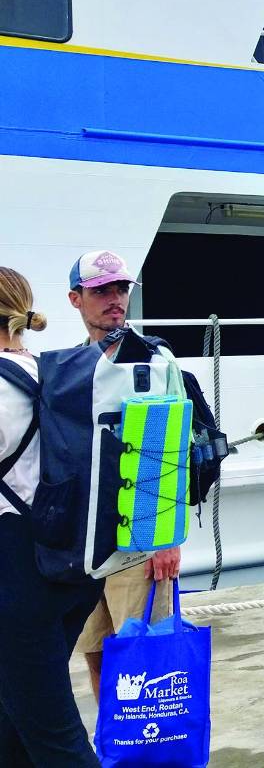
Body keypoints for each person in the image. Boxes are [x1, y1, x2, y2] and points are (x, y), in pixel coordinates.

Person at [66, 250, 217, 707]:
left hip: (138, 544)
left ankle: (147, 746)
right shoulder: (70, 365)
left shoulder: (155, 362)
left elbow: (171, 449)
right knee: (95, 651)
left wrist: (167, 542)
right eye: (102, 291)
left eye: (121, 289)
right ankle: (113, 743)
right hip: (85, 546)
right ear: (76, 299)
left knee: (145, 663)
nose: (115, 300)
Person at [0, 267, 104, 765]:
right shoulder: (58, 374)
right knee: (16, 712)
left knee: (54, 736)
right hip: (74, 565)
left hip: (14, 577)